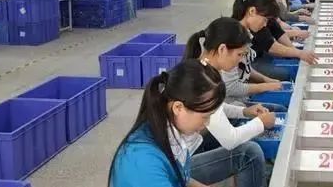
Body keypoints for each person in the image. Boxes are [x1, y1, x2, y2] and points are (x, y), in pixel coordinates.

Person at [108, 60, 266, 187]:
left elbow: (180, 175)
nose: (206, 124)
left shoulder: (169, 132)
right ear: (178, 107)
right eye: (205, 117)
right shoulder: (143, 161)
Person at [184, 17, 286, 111]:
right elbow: (216, 117)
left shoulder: (209, 69)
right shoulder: (203, 80)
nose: (240, 60)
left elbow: (218, 109)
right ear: (222, 49)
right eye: (239, 54)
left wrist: (245, 112)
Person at [232, 0, 317, 81]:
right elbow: (236, 78)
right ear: (252, 11)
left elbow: (278, 32)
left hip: (255, 63)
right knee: (288, 73)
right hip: (253, 66)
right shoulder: (235, 34)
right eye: (265, 20)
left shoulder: (250, 28)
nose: (265, 25)